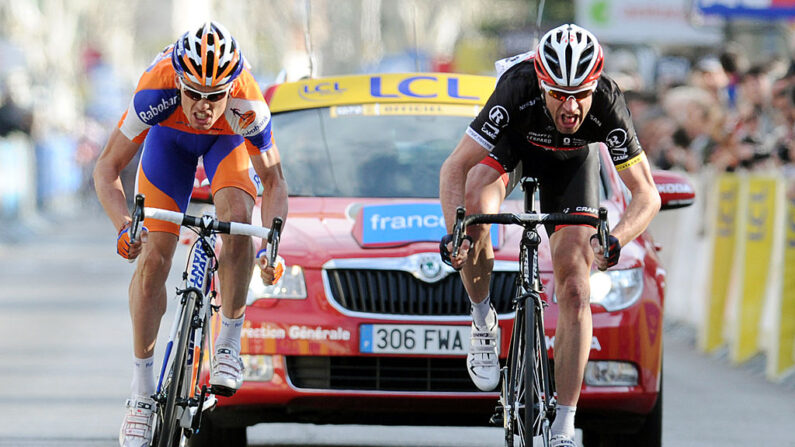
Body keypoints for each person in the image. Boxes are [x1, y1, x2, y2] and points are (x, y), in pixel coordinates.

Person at [439, 24, 660, 447]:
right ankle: (484, 316)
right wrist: (456, 230)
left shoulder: (609, 104)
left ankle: (563, 422)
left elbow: (645, 195)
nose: (571, 106)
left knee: (576, 284)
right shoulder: (516, 87)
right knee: (476, 207)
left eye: (581, 93)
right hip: (514, 149)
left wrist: (616, 238)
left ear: (596, 85)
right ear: (541, 82)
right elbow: (454, 167)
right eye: (558, 93)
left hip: (571, 168)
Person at [92, 21, 288, 447]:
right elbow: (106, 169)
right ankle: (141, 394)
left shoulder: (247, 104)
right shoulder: (154, 92)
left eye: (214, 96)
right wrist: (124, 227)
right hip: (169, 144)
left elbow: (273, 183)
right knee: (153, 261)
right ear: (177, 81)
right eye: (193, 93)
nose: (203, 106)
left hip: (227, 146)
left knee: (237, 219)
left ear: (230, 89)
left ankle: (228, 344)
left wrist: (272, 248)